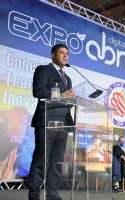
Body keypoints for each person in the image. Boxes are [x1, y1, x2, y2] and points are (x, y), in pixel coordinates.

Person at [28, 44, 74, 200]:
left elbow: (68, 103)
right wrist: (62, 95)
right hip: (46, 121)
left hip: (63, 124)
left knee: (56, 163)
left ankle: (52, 195)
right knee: (40, 161)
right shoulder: (43, 70)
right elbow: (38, 91)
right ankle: (34, 196)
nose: (65, 55)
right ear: (53, 55)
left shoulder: (67, 78)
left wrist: (71, 99)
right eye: (61, 52)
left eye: (67, 53)